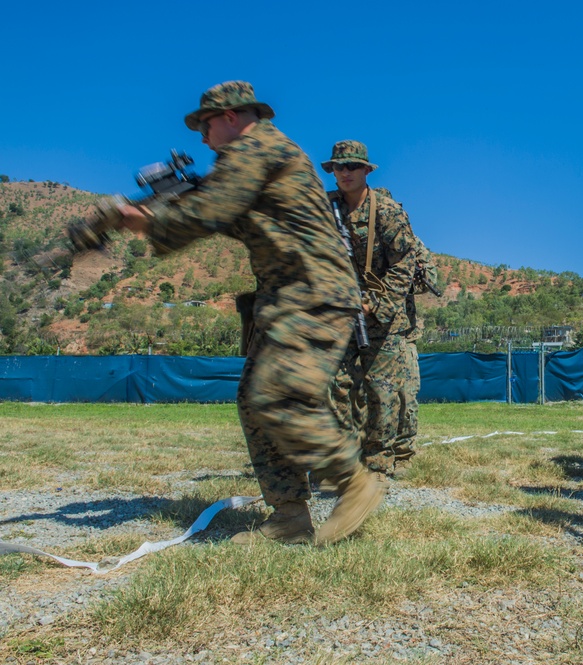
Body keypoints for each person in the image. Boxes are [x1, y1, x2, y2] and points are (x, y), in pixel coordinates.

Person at [114, 81, 385, 546]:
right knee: (254, 402)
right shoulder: (251, 159)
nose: (202, 136)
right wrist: (171, 206)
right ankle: (290, 518)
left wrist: (150, 222)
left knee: (278, 396)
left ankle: (353, 481)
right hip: (288, 296)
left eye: (206, 124)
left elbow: (211, 213)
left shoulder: (257, 146)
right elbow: (236, 217)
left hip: (313, 292)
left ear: (233, 117)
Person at [323, 141, 417, 477]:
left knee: (382, 389)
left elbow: (405, 263)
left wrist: (376, 305)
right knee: (335, 385)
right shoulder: (324, 209)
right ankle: (343, 459)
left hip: (381, 314)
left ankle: (379, 460)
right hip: (338, 311)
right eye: (338, 166)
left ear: (366, 170)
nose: (344, 172)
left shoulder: (387, 211)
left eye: (352, 166)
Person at [392, 236, 438, 469]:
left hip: (401, 332)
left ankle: (402, 455)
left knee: (405, 396)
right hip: (356, 329)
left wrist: (406, 273)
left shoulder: (405, 238)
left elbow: (429, 278)